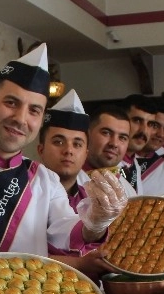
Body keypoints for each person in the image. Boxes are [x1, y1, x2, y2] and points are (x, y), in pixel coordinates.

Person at [0, 44, 126, 256]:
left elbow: (64, 230)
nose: (20, 119)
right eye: (11, 102)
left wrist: (95, 223)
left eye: (34, 110)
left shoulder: (45, 179)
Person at [35, 91, 118, 280]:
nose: (68, 151)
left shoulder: (96, 197)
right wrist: (80, 264)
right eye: (58, 142)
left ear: (86, 153)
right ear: (41, 149)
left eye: (77, 144)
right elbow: (17, 254)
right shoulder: (24, 195)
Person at [120, 95, 164, 196]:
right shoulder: (106, 161)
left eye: (150, 124)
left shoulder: (134, 164)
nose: (144, 130)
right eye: (137, 121)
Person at [82, 104, 130, 173]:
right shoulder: (66, 180)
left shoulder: (124, 183)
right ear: (87, 135)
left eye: (122, 138)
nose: (114, 143)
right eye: (106, 133)